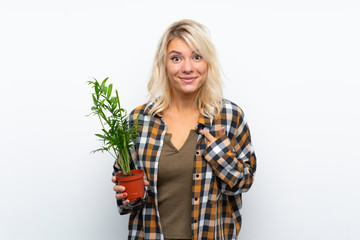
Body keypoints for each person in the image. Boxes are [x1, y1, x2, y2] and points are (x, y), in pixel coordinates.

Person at [112, 19, 256, 240]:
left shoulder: (229, 117)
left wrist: (218, 153)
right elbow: (127, 201)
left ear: (208, 62)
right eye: (176, 58)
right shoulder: (138, 121)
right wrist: (127, 195)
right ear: (164, 64)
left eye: (197, 57)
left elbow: (244, 182)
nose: (187, 67)